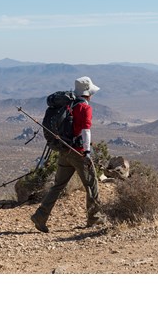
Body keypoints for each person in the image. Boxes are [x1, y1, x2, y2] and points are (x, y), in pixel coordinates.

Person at [31, 76, 104, 232]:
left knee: (57, 186)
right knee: (91, 184)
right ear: (88, 93)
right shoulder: (84, 107)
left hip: (64, 150)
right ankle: (95, 219)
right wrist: (87, 152)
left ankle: (40, 216)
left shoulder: (68, 105)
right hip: (78, 152)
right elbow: (85, 131)